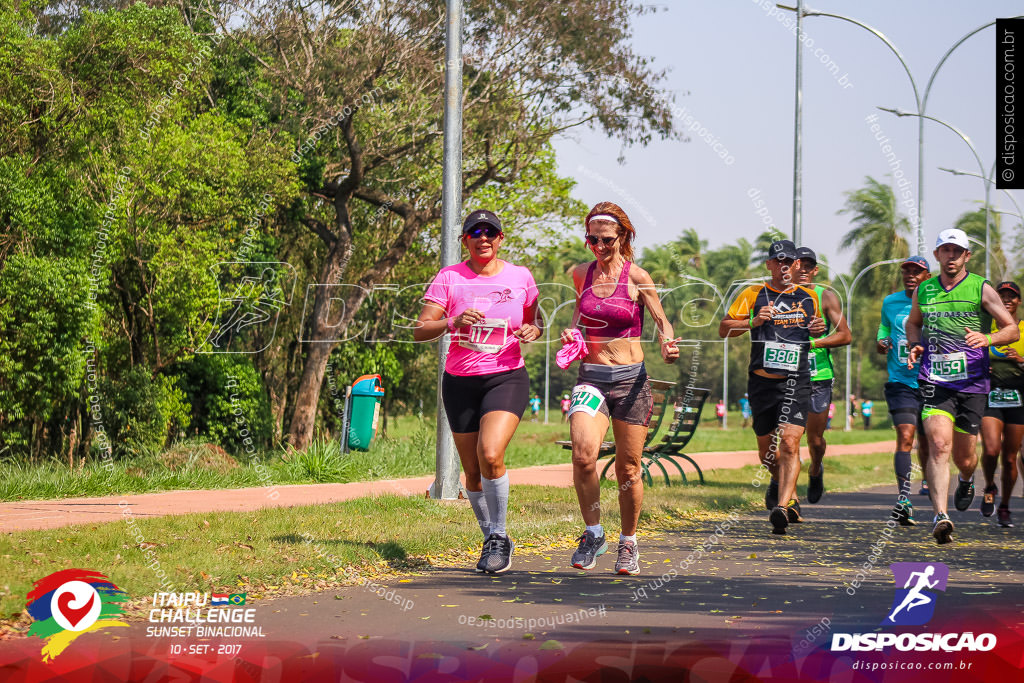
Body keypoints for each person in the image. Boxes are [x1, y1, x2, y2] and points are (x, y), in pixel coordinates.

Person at [415, 209, 541, 573]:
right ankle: (491, 538)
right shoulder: (449, 278)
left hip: (506, 377)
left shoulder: (521, 277)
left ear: (501, 238)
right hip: (459, 382)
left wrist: (533, 331)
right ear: (464, 240)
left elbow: (535, 320)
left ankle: (499, 535)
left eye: (490, 232)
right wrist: (451, 320)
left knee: (490, 453)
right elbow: (420, 329)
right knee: (471, 472)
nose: (483, 237)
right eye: (475, 232)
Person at [561, 202, 679, 575]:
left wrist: (667, 343)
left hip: (631, 380)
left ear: (623, 237)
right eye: (592, 238)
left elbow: (663, 322)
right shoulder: (579, 274)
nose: (598, 245)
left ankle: (628, 542)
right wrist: (571, 332)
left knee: (628, 470)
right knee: (583, 456)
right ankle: (594, 533)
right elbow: (580, 317)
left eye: (606, 239)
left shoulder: (638, 276)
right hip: (592, 377)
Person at [906, 228, 1020, 544]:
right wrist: (915, 344)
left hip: (971, 382)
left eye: (958, 251)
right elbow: (913, 323)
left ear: (966, 256)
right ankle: (940, 516)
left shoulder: (981, 288)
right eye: (946, 250)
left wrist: (988, 338)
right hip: (934, 379)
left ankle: (967, 478)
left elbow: (1011, 330)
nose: (951, 256)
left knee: (964, 457)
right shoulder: (925, 290)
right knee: (939, 445)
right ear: (938, 254)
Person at [718, 239, 825, 535]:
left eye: (789, 262)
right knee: (768, 453)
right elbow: (724, 329)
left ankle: (782, 506)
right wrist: (751, 322)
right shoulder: (753, 294)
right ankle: (780, 484)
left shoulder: (808, 297)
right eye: (777, 262)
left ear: (796, 265)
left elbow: (812, 328)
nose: (783, 267)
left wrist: (816, 328)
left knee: (790, 442)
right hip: (762, 381)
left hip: (796, 378)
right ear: (769, 265)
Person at [789, 246, 851, 504]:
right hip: (787, 377)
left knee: (814, 440)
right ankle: (787, 495)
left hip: (818, 376)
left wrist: (814, 344)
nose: (802, 270)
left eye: (808, 266)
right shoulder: (775, 296)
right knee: (790, 441)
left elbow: (845, 335)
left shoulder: (825, 297)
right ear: (789, 268)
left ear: (815, 270)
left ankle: (816, 468)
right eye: (798, 264)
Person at [877, 255, 933, 526]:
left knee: (931, 441)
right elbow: (884, 330)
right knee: (906, 437)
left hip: (934, 382)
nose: (911, 275)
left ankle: (933, 484)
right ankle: (903, 499)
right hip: (901, 381)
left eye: (917, 271)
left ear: (927, 276)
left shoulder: (935, 301)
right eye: (907, 271)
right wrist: (883, 341)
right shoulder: (890, 302)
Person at [980, 281, 1024, 528]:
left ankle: (1005, 506)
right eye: (1002, 295)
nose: (1007, 299)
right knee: (990, 449)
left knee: (1009, 459)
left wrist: (1021, 360)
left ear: (1018, 301)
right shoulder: (985, 329)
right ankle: (989, 486)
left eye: (1012, 296)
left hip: (1018, 398)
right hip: (990, 395)